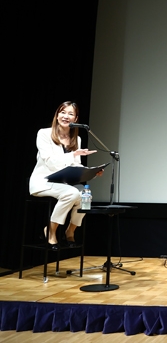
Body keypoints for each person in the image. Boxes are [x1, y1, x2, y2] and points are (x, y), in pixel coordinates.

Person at [29, 101, 97, 250]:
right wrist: (73, 154)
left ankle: (70, 230)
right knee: (72, 193)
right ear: (57, 115)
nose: (66, 116)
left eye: (70, 114)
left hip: (62, 183)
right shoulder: (44, 133)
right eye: (63, 112)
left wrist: (90, 171)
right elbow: (50, 162)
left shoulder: (76, 139)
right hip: (43, 181)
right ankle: (50, 231)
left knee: (86, 195)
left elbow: (75, 164)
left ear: (76, 119)